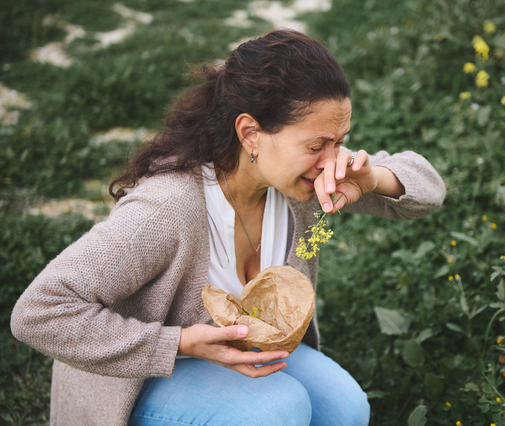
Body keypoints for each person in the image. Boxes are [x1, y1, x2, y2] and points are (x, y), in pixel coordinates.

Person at [11, 29, 446, 425]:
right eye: (316, 145)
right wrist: (178, 342)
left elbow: (430, 189)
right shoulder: (167, 209)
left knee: (347, 407)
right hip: (141, 374)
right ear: (250, 133)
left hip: (236, 353)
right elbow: (37, 313)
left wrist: (371, 178)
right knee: (277, 411)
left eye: (340, 140)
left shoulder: (305, 182)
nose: (331, 159)